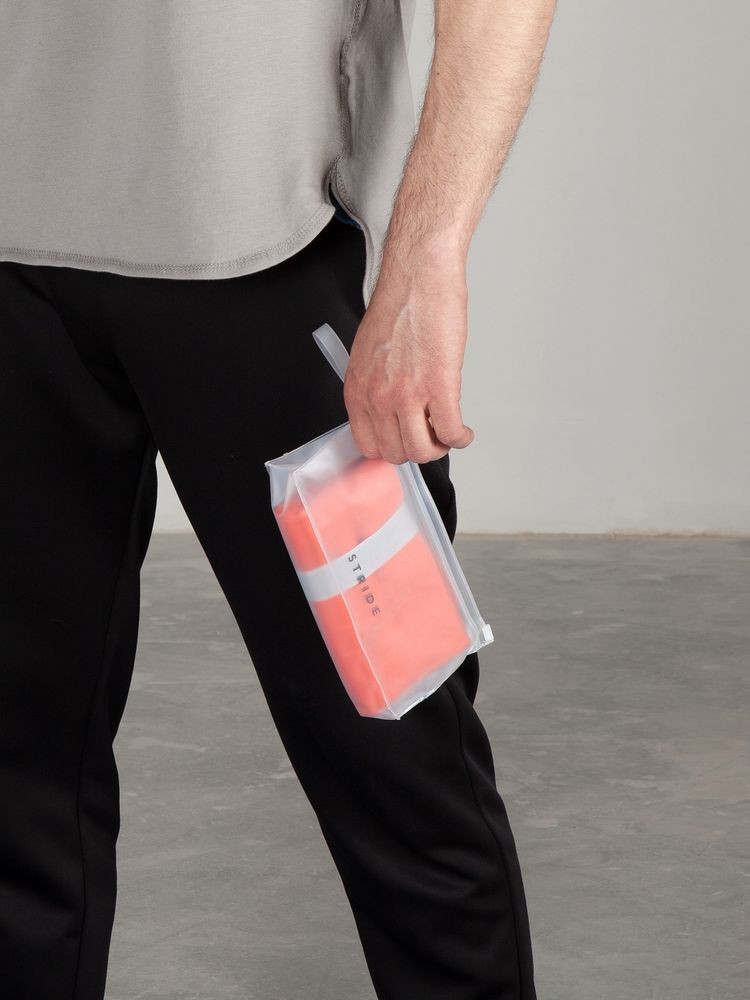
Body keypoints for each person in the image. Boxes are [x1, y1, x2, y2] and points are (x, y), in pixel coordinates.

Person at [0, 2, 556, 997]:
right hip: (13, 246)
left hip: (271, 243)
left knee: (400, 766)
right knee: (13, 780)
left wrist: (427, 260)